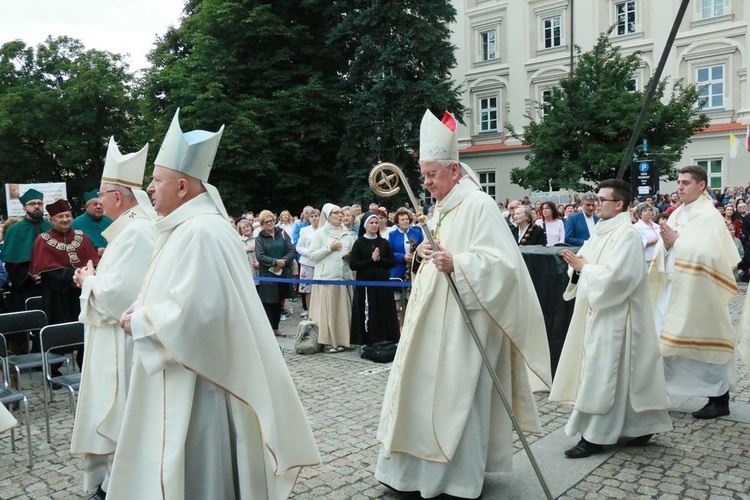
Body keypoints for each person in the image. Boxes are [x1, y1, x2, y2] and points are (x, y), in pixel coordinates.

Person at [109, 109, 320, 498]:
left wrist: (141, 322)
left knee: (198, 472)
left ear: (184, 187)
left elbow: (201, 313)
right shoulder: (184, 228)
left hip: (200, 379)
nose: (150, 189)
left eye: (157, 181)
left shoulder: (202, 231)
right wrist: (139, 308)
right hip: (186, 369)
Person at [375, 110, 551, 499]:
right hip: (431, 318)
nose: (427, 182)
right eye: (423, 175)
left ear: (454, 171)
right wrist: (426, 250)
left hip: (464, 322)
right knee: (418, 394)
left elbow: (502, 266)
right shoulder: (442, 207)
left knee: (456, 399)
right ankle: (408, 474)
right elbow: (440, 249)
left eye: (432, 174)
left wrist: (460, 263)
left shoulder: (478, 205)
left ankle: (454, 482)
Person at [552, 179, 672, 459]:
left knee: (606, 374)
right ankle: (640, 426)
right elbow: (583, 263)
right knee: (619, 376)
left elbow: (621, 278)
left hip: (619, 316)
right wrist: (578, 270)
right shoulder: (600, 232)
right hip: (598, 312)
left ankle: (595, 436)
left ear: (618, 204)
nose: (595, 203)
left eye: (602, 199)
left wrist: (586, 269)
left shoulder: (627, 235)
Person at [69, 137, 157, 498]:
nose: (99, 201)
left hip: (120, 343)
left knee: (119, 415)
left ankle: (116, 484)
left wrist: (88, 281)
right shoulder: (132, 228)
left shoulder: (137, 231)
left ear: (118, 197)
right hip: (114, 337)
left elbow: (121, 295)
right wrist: (94, 279)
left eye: (103, 194)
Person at [649, 165, 741, 419]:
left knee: (704, 344)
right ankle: (658, 394)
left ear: (701, 186)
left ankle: (719, 399)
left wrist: (676, 242)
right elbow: (664, 249)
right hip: (674, 288)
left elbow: (711, 256)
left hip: (701, 292)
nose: (679, 187)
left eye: (686, 183)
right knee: (663, 341)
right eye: (678, 182)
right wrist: (668, 246)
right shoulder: (677, 213)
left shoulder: (708, 215)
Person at [30, 199, 100, 326]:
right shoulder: (42, 240)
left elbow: (93, 263)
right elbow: (49, 273)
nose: (65, 219)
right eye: (60, 216)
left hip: (82, 293)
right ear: (51, 220)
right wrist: (77, 275)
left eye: (68, 216)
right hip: (57, 297)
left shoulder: (82, 236)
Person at [308, 203, 355, 352]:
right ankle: (327, 342)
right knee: (326, 313)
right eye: (337, 213)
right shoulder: (320, 233)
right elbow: (312, 255)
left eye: (341, 212)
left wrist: (350, 256)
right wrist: (330, 248)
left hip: (343, 277)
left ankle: (342, 340)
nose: (341, 215)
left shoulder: (347, 233)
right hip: (326, 278)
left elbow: (352, 252)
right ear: (329, 216)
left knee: (341, 312)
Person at [349, 212, 400, 346]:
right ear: (365, 225)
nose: (374, 225)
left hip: (382, 284)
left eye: (376, 223)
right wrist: (371, 260)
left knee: (384, 311)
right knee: (368, 313)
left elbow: (391, 262)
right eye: (371, 223)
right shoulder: (359, 243)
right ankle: (367, 340)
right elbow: (353, 265)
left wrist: (379, 259)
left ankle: (386, 338)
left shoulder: (383, 242)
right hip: (365, 285)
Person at [1, 189, 52, 313]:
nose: (36, 206)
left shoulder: (52, 228)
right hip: (25, 288)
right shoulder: (14, 230)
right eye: (32, 204)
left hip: (52, 286)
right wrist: (30, 276)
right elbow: (11, 264)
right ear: (24, 208)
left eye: (39, 204)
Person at [255, 210, 295, 337]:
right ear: (262, 224)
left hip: (282, 273)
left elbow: (291, 249)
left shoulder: (282, 233)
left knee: (279, 301)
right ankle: (268, 329)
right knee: (268, 302)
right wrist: (275, 262)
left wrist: (284, 260)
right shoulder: (260, 238)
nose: (269, 223)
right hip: (268, 274)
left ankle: (276, 328)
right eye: (266, 222)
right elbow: (260, 256)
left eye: (271, 220)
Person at [388, 207, 424, 327]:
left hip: (414, 270)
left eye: (407, 219)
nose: (405, 221)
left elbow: (423, 248)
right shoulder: (392, 235)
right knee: (399, 301)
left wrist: (414, 256)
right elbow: (389, 253)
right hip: (398, 271)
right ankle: (400, 327)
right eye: (402, 219)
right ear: (397, 222)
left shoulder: (416, 233)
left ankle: (411, 327)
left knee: (411, 301)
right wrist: (402, 257)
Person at [71, 189, 113, 257]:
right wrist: (95, 251)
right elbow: (74, 247)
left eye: (101, 204)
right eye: (95, 204)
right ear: (86, 207)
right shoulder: (76, 224)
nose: (99, 207)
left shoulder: (110, 222)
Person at [295, 208, 320, 317]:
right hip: (307, 263)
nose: (314, 218)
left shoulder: (324, 230)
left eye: (316, 216)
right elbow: (298, 247)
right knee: (308, 290)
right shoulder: (304, 230)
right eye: (312, 216)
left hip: (320, 263)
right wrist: (310, 252)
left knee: (320, 289)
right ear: (309, 218)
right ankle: (310, 313)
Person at [633, 202, 661, 270]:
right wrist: (651, 241)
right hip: (646, 260)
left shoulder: (657, 226)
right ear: (640, 214)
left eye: (650, 210)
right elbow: (635, 244)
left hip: (658, 258)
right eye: (645, 210)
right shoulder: (636, 227)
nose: (648, 212)